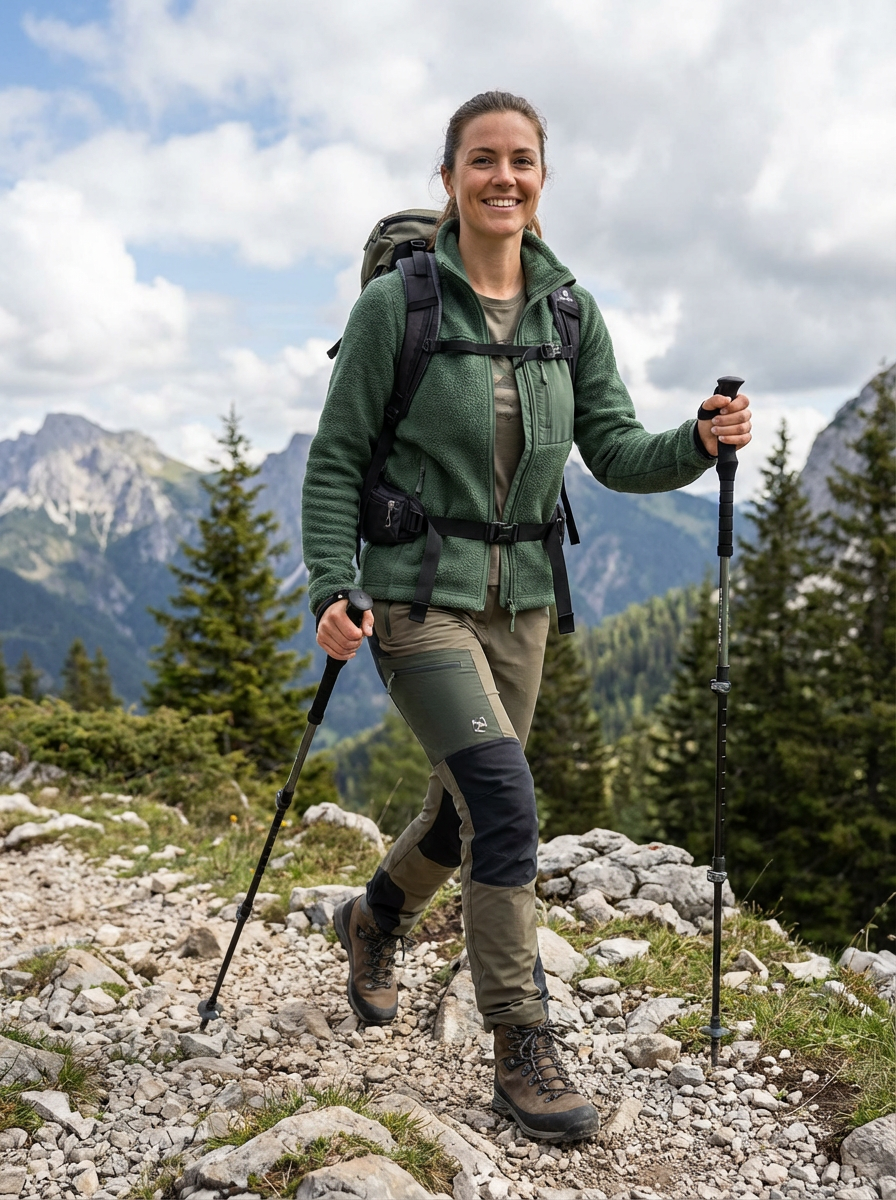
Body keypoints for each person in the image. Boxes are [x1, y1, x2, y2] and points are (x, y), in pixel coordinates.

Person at [301, 90, 751, 1142]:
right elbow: (335, 460)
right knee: (505, 802)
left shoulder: (568, 314)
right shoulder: (397, 308)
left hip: (525, 606)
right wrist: (331, 585)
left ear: (541, 179)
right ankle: (521, 1040)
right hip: (417, 598)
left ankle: (373, 918)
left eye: (521, 161)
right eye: (482, 159)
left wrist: (695, 441)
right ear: (449, 177)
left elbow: (615, 451)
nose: (502, 177)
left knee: (461, 814)